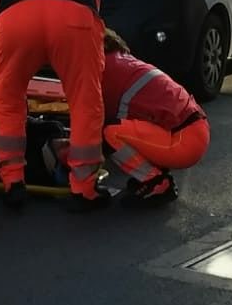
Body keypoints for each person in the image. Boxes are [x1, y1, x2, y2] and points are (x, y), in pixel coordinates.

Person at [0, 0, 108, 212]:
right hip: (73, 14)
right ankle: (83, 188)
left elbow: (0, 2)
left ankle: (13, 182)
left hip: (17, 17)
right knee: (85, 100)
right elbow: (95, 3)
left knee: (7, 96)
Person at [53, 29, 208, 207]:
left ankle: (155, 181)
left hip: (182, 140)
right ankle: (153, 175)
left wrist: (65, 155)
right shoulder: (120, 61)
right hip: (191, 132)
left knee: (108, 132)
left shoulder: (100, 71)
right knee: (116, 129)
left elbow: (91, 132)